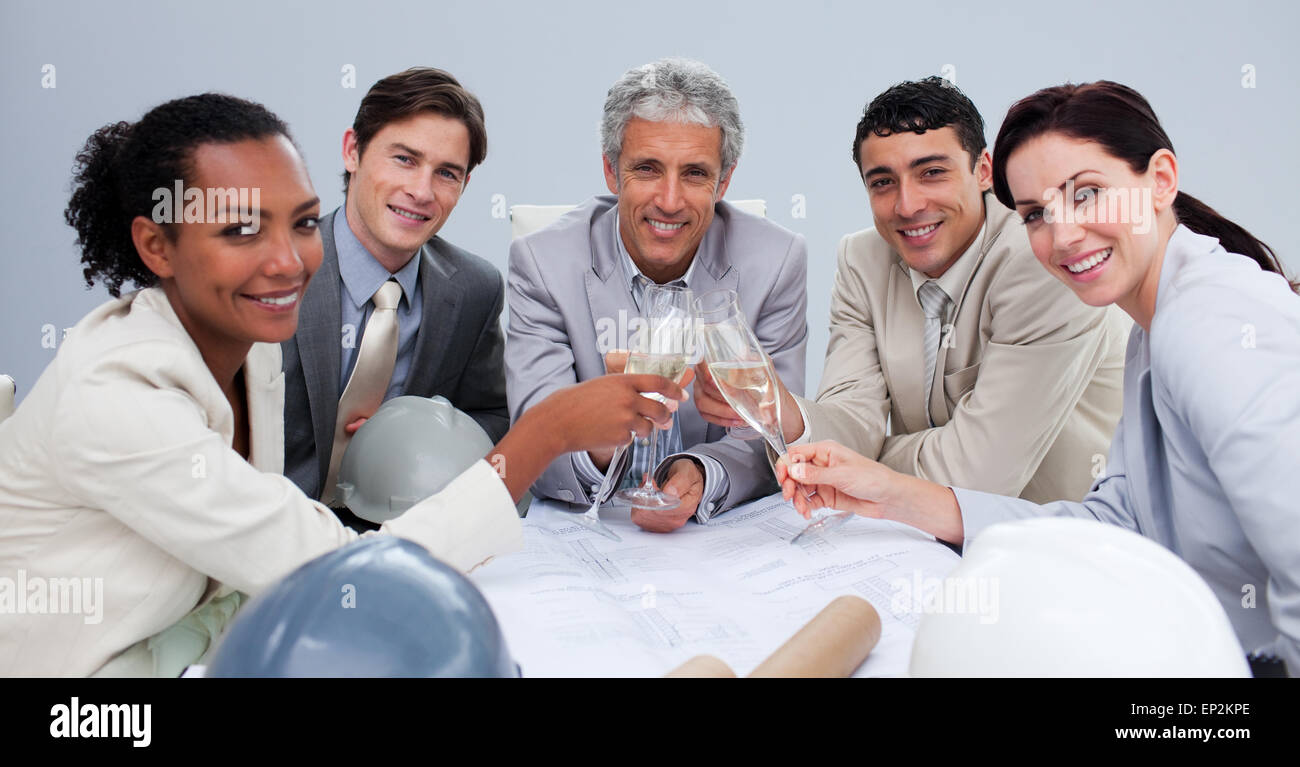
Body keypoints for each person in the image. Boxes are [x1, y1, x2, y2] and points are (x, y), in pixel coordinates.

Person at [0, 94, 685, 677]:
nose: (287, 260)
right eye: (240, 229)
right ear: (157, 246)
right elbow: (351, 577)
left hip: (194, 646)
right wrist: (548, 431)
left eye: (301, 223)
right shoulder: (118, 398)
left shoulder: (250, 351)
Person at [778, 81, 1300, 674]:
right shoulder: (1154, 328)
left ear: (1160, 180)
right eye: (1036, 215)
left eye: (1088, 195)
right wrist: (885, 492)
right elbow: (1115, 523)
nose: (1064, 236)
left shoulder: (1213, 324)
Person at [695, 77, 1129, 505]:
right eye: (883, 182)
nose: (908, 205)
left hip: (1063, 537)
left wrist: (861, 461)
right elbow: (852, 416)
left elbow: (976, 477)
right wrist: (784, 412)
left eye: (932, 173)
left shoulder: (1042, 258)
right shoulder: (862, 259)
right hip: (925, 543)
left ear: (983, 171)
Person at [506, 58, 808, 532]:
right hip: (588, 531)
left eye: (694, 174)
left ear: (723, 183)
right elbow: (532, 445)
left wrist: (703, 475)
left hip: (720, 543)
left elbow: (775, 433)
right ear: (611, 171)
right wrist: (600, 430)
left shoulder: (777, 261)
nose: (669, 201)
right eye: (647, 169)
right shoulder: (541, 263)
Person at [281, 68, 509, 521]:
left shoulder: (474, 289)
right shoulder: (274, 269)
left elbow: (492, 417)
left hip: (399, 537)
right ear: (353, 151)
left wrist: (418, 436)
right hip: (269, 537)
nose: (421, 191)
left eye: (446, 173)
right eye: (404, 159)